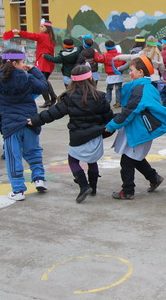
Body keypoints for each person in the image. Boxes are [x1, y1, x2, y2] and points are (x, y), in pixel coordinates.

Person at [0, 49, 49, 200]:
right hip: (29, 122)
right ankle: (39, 179)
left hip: (10, 125)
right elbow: (43, 87)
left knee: (13, 157)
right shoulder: (27, 78)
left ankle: (18, 190)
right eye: (23, 62)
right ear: (15, 63)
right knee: (33, 151)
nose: (25, 65)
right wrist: (34, 69)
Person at [29, 65, 114, 203]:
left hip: (78, 137)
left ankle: (83, 185)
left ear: (73, 81)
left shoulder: (69, 97)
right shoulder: (101, 97)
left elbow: (52, 114)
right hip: (96, 135)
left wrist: (34, 121)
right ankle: (93, 187)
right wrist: (106, 131)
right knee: (92, 161)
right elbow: (109, 118)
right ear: (91, 78)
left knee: (73, 160)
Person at [105, 56, 166, 200]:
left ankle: (128, 191)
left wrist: (111, 126)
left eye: (131, 70)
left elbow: (129, 111)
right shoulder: (144, 86)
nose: (129, 73)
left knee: (127, 160)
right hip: (138, 129)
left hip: (140, 130)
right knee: (135, 157)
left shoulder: (140, 89)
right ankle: (154, 177)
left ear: (141, 72)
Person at [12, 20, 57, 108]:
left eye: (42, 26)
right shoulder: (51, 37)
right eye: (40, 26)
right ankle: (51, 98)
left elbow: (31, 35)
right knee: (44, 80)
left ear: (47, 28)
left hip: (43, 63)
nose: (40, 28)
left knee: (41, 82)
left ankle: (49, 99)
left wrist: (19, 32)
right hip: (47, 63)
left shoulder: (43, 36)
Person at [114, 36, 166, 101]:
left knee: (145, 96)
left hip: (145, 78)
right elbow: (162, 67)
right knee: (154, 96)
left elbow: (131, 57)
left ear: (146, 44)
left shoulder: (143, 53)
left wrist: (119, 57)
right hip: (155, 78)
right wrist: (163, 76)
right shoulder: (158, 54)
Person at [94, 40, 126, 109]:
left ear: (106, 48)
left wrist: (96, 52)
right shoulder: (120, 55)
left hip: (110, 75)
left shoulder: (105, 55)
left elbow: (98, 59)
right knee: (118, 89)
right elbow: (124, 62)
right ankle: (118, 102)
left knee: (109, 88)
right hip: (119, 74)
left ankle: (107, 101)